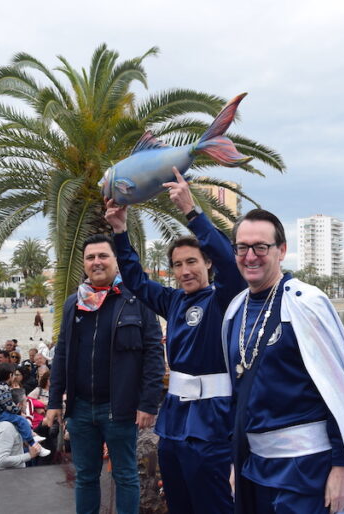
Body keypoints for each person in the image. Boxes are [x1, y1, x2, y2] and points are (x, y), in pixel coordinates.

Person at [104, 167, 245, 513]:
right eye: (178, 264)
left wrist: (191, 211)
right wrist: (120, 232)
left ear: (207, 264)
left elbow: (231, 262)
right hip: (174, 426)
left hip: (212, 427)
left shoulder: (223, 298)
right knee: (178, 506)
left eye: (193, 262)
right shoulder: (173, 300)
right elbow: (135, 280)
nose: (185, 270)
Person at [224, 209, 344, 513]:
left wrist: (342, 467)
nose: (250, 256)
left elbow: (340, 396)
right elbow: (237, 396)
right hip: (253, 467)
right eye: (242, 248)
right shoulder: (235, 311)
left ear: (281, 250)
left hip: (306, 470)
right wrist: (235, 459)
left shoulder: (306, 304)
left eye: (261, 247)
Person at [45, 233, 164, 514]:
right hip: (81, 409)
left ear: (116, 261)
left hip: (120, 409)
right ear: (84, 263)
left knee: (125, 476)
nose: (96, 262)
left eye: (103, 256)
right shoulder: (74, 303)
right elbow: (62, 352)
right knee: (85, 477)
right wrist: (53, 402)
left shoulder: (138, 301)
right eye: (90, 257)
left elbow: (153, 355)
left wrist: (148, 403)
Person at [0, 389, 40, 470]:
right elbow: (2, 460)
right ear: (18, 406)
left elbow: (12, 446)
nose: (27, 405)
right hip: (6, 479)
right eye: (25, 402)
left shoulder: (11, 424)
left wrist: (25, 442)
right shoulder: (6, 427)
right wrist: (30, 455)